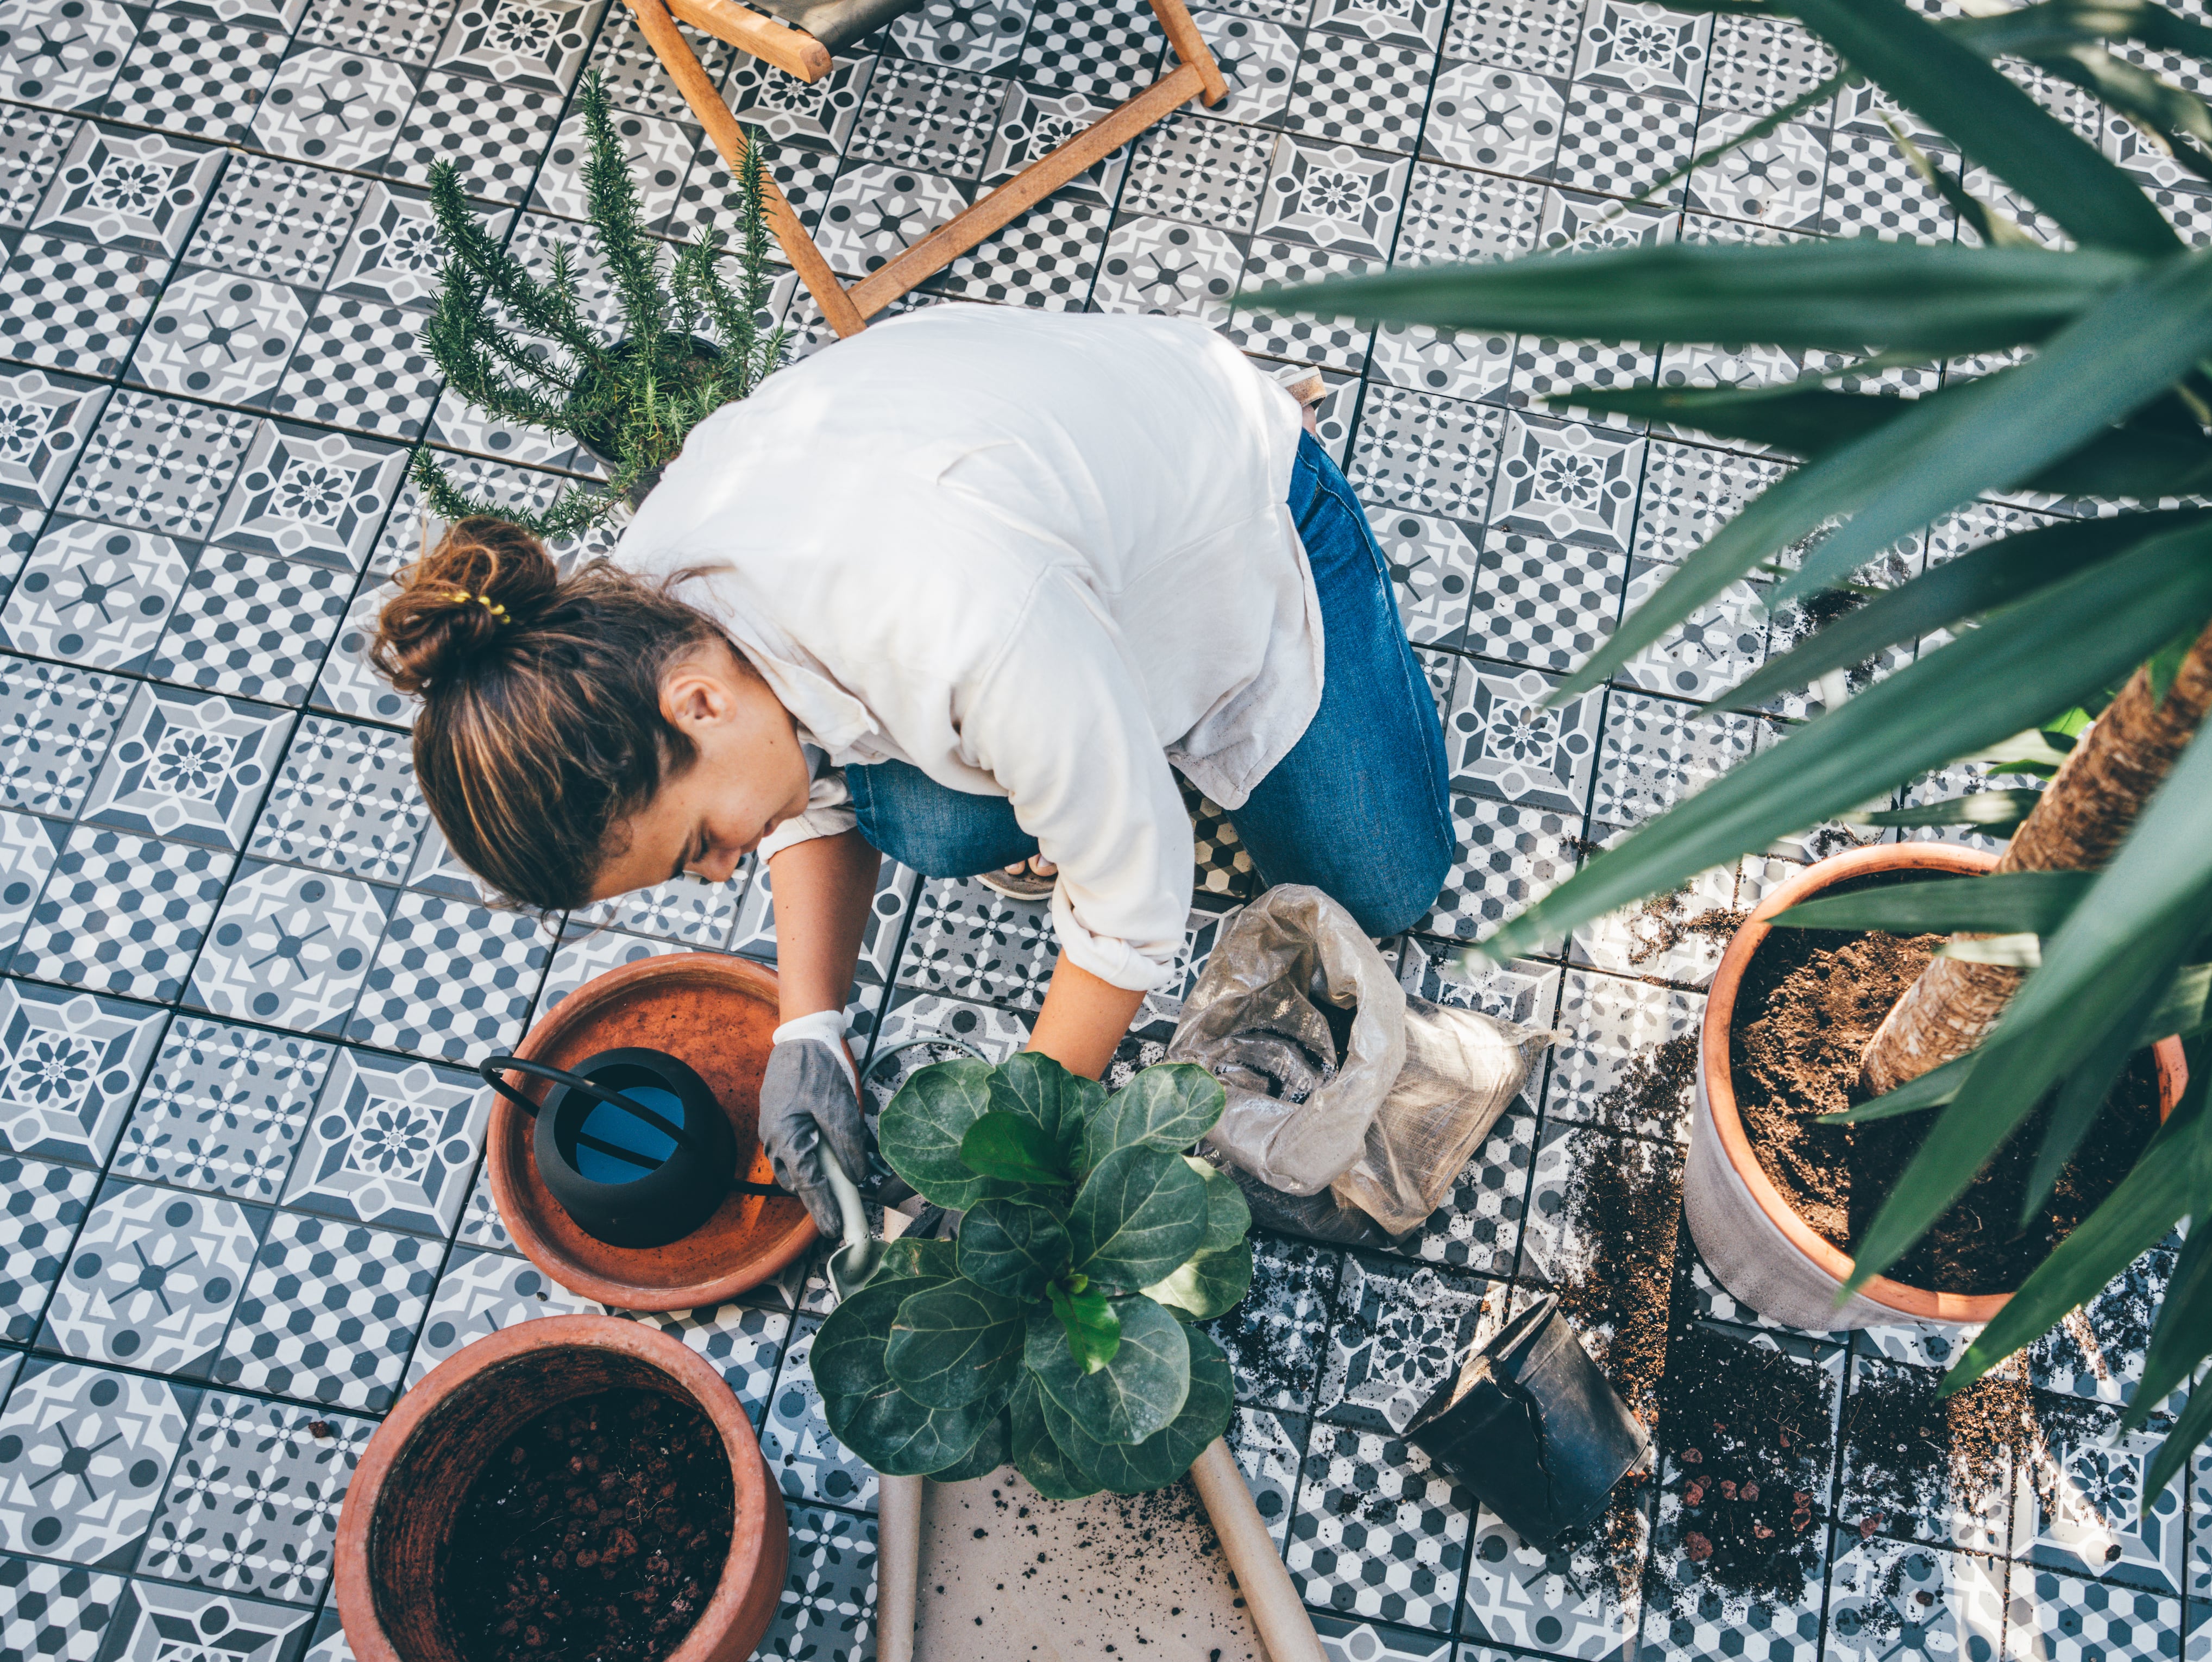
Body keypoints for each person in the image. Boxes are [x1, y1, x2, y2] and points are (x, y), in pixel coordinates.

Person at [369, 304, 1456, 1243]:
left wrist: (1011, 1149)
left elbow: (1134, 904)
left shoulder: (956, 620)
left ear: (695, 705)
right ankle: (1075, 736)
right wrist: (809, 1024)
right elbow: (781, 768)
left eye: (695, 844)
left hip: (1239, 507)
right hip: (1047, 551)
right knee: (930, 823)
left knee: (1383, 882)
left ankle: (1299, 518)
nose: (713, 878)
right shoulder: (644, 612)